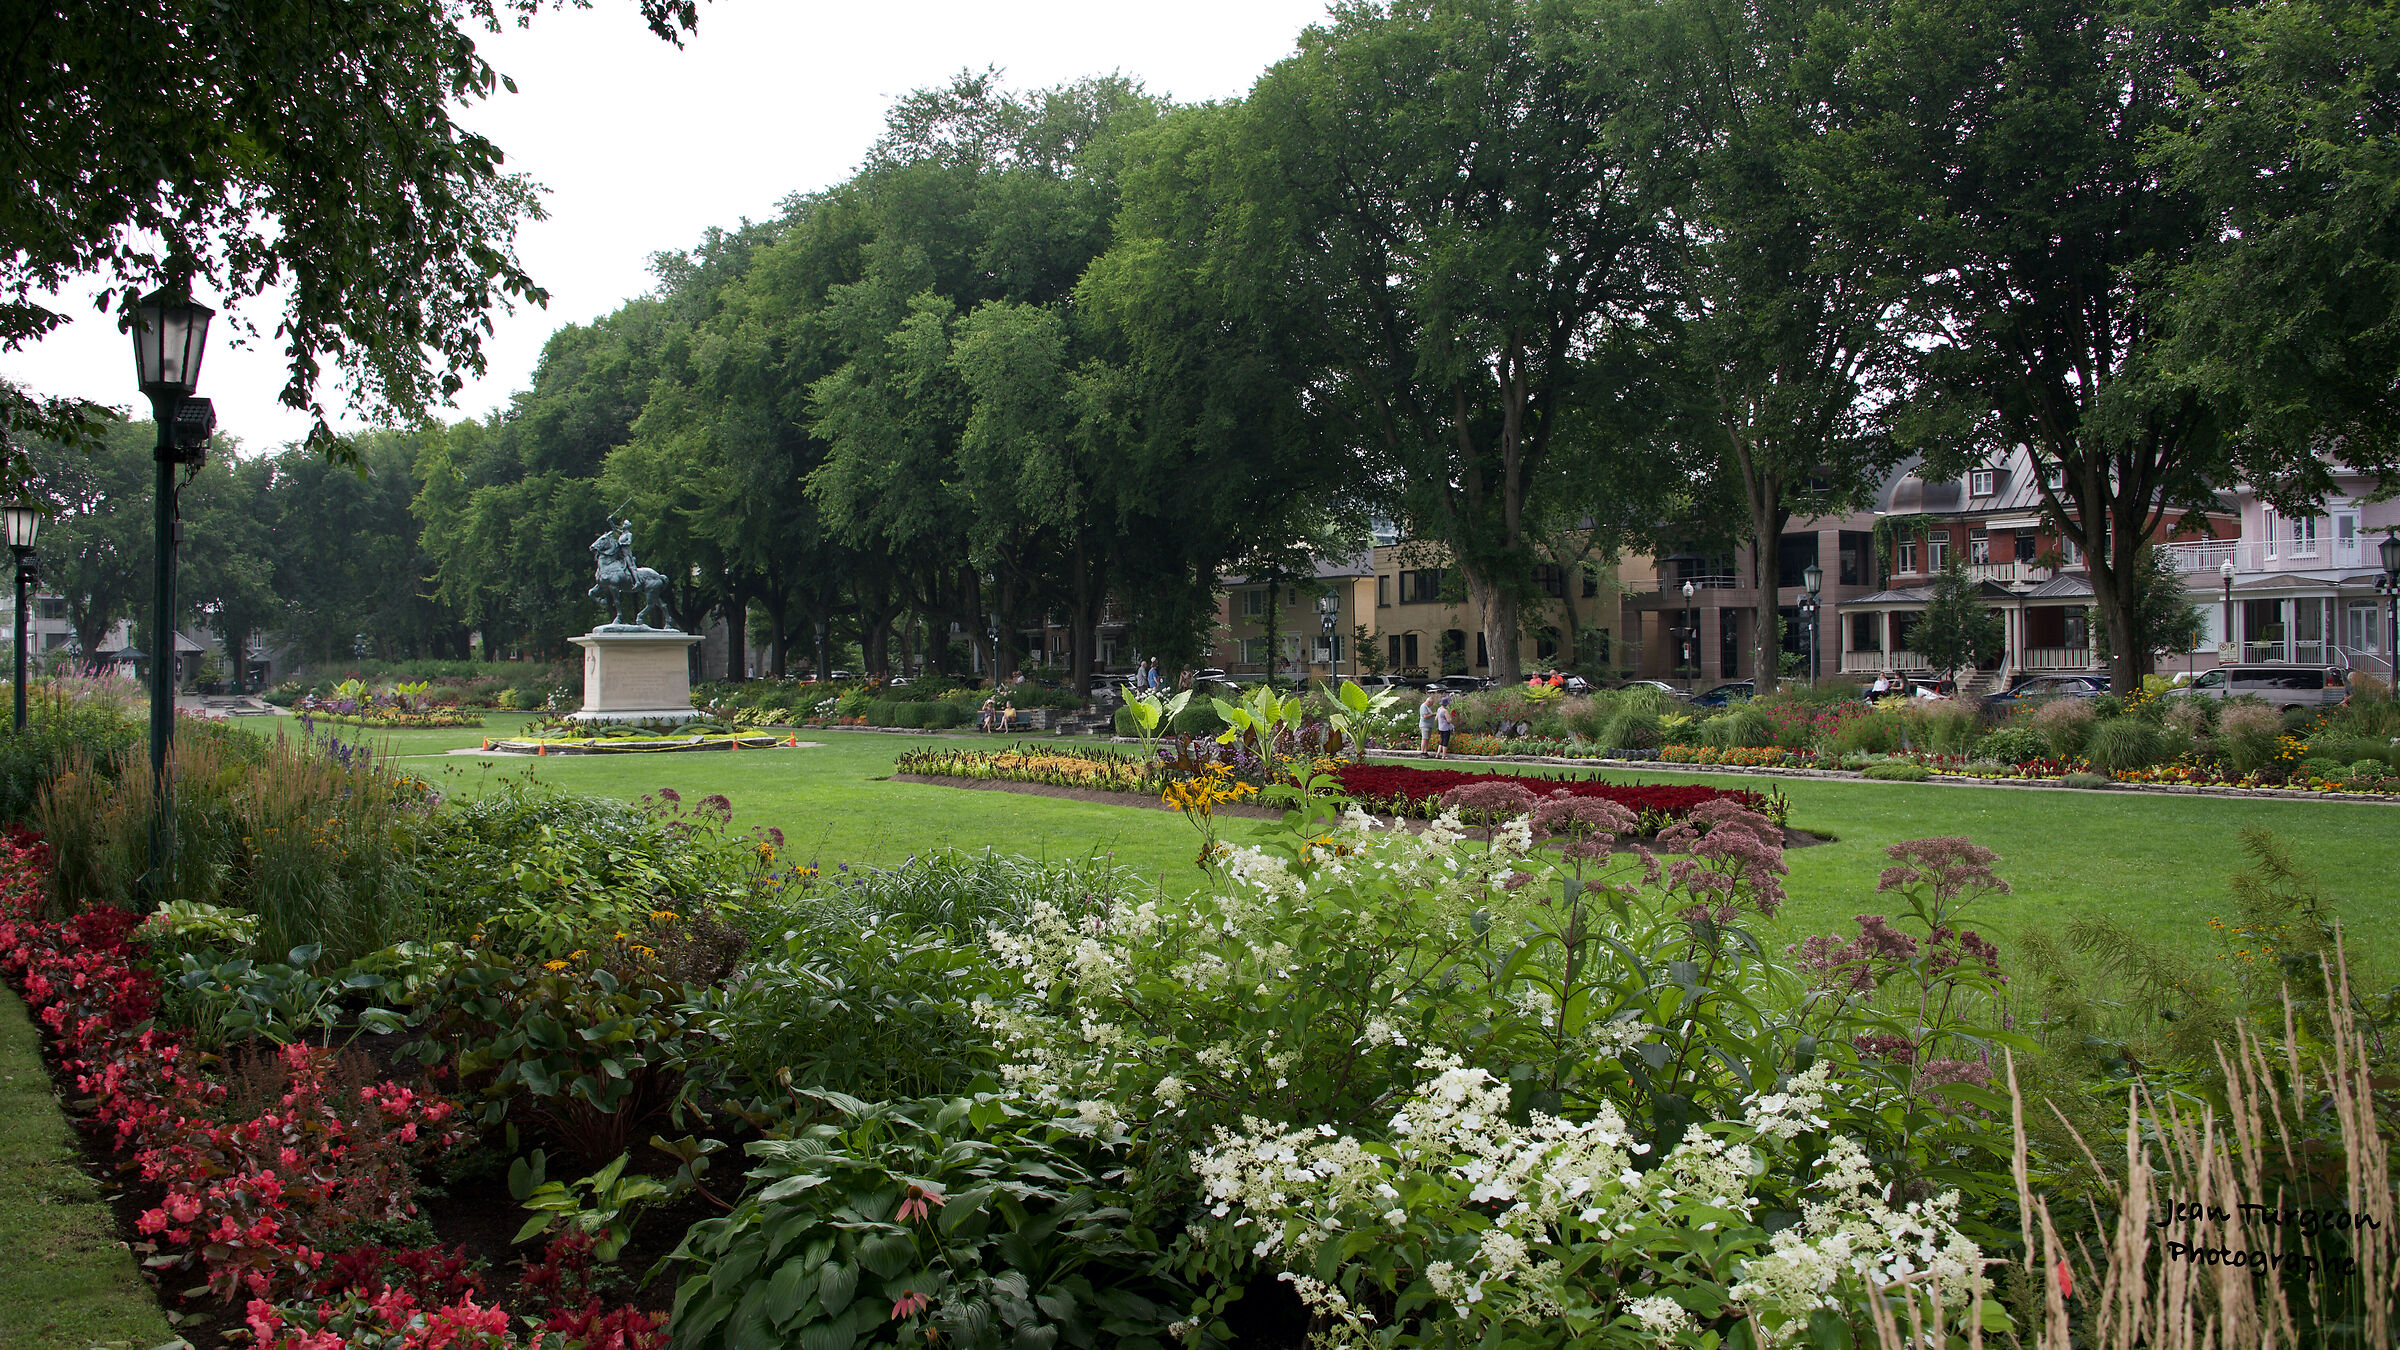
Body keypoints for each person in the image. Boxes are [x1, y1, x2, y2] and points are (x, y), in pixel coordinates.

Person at [1434, 693, 1457, 757]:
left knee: (1441, 740)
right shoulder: (1445, 711)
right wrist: (1451, 717)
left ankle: (1437, 754)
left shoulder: (1439, 709)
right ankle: (1444, 755)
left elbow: (1436, 718)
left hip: (1440, 727)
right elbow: (1449, 720)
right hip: (1446, 728)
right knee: (1445, 741)